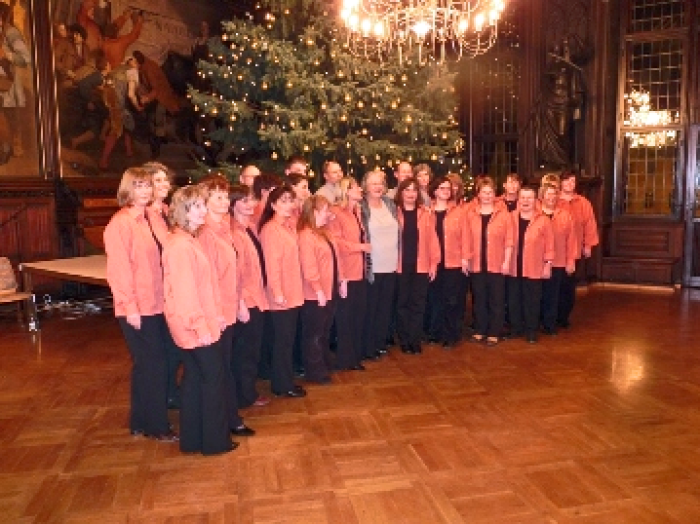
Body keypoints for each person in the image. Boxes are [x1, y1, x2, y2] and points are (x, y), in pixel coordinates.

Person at [103, 167, 176, 441]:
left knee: (148, 365)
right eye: (140, 186)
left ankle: (139, 420)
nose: (145, 191)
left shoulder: (153, 218)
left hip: (159, 302)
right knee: (154, 365)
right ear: (127, 189)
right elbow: (119, 271)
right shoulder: (120, 224)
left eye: (148, 186)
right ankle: (156, 426)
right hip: (137, 306)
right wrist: (129, 306)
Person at [163, 185, 234, 455]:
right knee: (212, 378)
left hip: (197, 321)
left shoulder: (186, 240)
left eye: (203, 205)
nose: (203, 211)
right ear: (183, 211)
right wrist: (201, 324)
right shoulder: (181, 245)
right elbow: (185, 292)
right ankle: (216, 443)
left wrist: (215, 314)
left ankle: (193, 439)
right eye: (197, 207)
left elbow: (202, 286)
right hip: (193, 324)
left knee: (194, 379)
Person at [197, 174, 255, 438]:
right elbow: (206, 279)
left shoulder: (225, 228)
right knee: (218, 370)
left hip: (230, 307)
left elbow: (236, 272)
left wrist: (241, 301)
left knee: (226, 366)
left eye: (224, 196)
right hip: (215, 311)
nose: (222, 201)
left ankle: (231, 417)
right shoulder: (205, 232)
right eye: (216, 197)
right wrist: (218, 313)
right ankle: (222, 422)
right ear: (204, 201)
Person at [258, 185, 307, 397]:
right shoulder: (271, 229)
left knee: (287, 340)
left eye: (291, 200)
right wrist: (277, 292)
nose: (289, 205)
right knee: (283, 342)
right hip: (282, 294)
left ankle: (286, 380)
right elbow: (272, 264)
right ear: (273, 204)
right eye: (284, 201)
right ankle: (281, 385)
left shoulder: (288, 225)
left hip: (294, 290)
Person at [142, 162, 182, 409]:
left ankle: (171, 391)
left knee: (174, 348)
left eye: (166, 180)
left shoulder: (168, 211)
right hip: (154, 292)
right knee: (159, 354)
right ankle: (160, 399)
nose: (164, 185)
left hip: (174, 290)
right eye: (158, 181)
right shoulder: (143, 217)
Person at [298, 195, 347, 383]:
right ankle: (315, 371)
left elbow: (336, 259)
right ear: (315, 212)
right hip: (315, 294)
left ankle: (324, 363)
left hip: (329, 289)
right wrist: (317, 289)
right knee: (314, 334)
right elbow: (309, 267)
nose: (329, 214)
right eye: (326, 210)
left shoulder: (324, 233)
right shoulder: (305, 235)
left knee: (325, 330)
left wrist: (341, 280)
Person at [229, 184, 270, 407]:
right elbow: (236, 272)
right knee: (245, 352)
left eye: (252, 200)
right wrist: (242, 301)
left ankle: (247, 391)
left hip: (257, 297)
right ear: (233, 205)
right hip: (246, 300)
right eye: (244, 201)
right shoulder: (234, 232)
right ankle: (244, 395)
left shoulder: (250, 227)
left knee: (251, 350)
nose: (250, 205)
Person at [325, 177, 371, 371]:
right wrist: (360, 247)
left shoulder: (357, 212)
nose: (360, 189)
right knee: (345, 318)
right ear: (346, 191)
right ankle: (346, 358)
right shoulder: (336, 213)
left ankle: (354, 356)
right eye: (354, 187)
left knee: (357, 316)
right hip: (346, 273)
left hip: (359, 271)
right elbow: (335, 243)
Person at [465, 177, 513, 347]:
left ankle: (494, 332)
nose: (487, 195)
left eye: (490, 192)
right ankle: (480, 330)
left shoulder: (504, 215)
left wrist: (506, 262)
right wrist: (466, 259)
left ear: (495, 195)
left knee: (496, 299)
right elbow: (466, 239)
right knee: (479, 299)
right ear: (478, 194)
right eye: (484, 192)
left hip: (497, 263)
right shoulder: (470, 214)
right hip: (476, 263)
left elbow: (509, 241)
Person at [394, 177, 440, 354]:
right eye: (407, 190)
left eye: (414, 190)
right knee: (402, 304)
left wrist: (434, 262)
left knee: (418, 304)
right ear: (401, 193)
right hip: (400, 266)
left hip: (421, 265)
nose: (411, 193)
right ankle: (404, 339)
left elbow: (433, 240)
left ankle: (415, 338)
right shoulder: (394, 213)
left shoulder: (426, 214)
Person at [425, 175, 470, 349]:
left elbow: (466, 236)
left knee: (452, 300)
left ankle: (452, 335)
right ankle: (436, 332)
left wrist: (465, 258)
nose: (446, 191)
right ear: (434, 191)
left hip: (454, 262)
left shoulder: (459, 212)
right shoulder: (427, 212)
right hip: (433, 263)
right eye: (442, 188)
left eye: (448, 188)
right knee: (435, 298)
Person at [506, 187, 555, 344]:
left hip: (534, 267)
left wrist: (547, 265)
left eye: (529, 198)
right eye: (523, 197)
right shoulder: (509, 218)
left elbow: (550, 245)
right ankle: (515, 329)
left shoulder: (543, 220)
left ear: (535, 201)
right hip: (513, 267)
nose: (526, 201)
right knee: (513, 300)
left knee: (532, 301)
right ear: (518, 200)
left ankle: (531, 331)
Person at [360, 170, 399, 360]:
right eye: (373, 183)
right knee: (370, 309)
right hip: (371, 268)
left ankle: (380, 342)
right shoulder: (361, 207)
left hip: (391, 265)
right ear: (365, 186)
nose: (377, 187)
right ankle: (368, 346)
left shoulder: (390, 204)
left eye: (380, 183)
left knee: (385, 309)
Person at [556, 171, 599, 328]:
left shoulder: (583, 203)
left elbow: (590, 224)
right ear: (561, 183)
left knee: (568, 284)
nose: (569, 184)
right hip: (555, 250)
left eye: (572, 181)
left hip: (574, 250)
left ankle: (564, 316)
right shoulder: (554, 200)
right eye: (566, 181)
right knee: (554, 284)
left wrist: (588, 245)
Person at [539, 183, 578, 335]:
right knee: (538, 295)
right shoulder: (535, 214)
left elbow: (571, 240)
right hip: (536, 262)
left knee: (554, 295)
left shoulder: (565, 216)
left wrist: (571, 261)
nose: (551, 197)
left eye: (554, 194)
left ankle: (550, 324)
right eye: (548, 194)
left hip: (559, 261)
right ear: (542, 196)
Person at [0, 3, 31, 158]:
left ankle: (14, 145)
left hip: (7, 83)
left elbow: (25, 58)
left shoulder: (11, 33)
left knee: (11, 116)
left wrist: (7, 55)